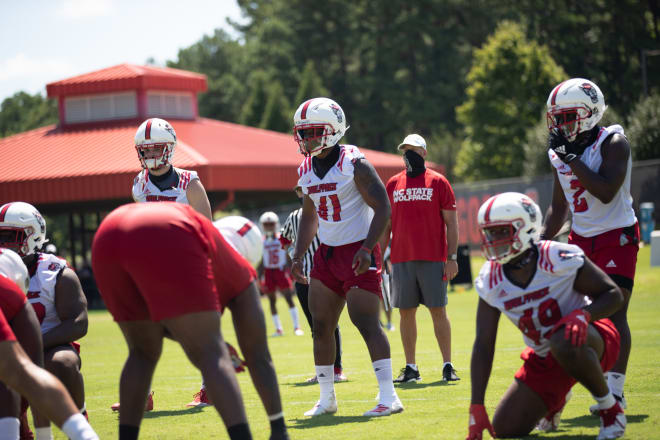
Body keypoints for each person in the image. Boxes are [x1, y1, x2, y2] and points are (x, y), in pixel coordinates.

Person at [92, 203, 289, 440]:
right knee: (211, 355)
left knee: (142, 353)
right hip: (168, 229)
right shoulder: (235, 264)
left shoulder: (206, 236)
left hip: (107, 233)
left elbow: (163, 322)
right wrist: (278, 428)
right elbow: (258, 355)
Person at [467, 192, 625, 440]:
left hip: (593, 339)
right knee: (505, 429)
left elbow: (613, 295)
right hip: (544, 358)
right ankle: (556, 400)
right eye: (490, 233)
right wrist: (476, 405)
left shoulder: (556, 257)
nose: (493, 240)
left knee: (562, 338)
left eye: (500, 231)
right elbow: (484, 344)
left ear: (524, 227)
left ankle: (611, 410)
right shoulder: (491, 279)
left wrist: (584, 315)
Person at [291, 97, 402, 417]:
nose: (306, 139)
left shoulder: (353, 163)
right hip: (326, 254)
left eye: (312, 131)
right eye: (303, 132)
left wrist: (368, 249)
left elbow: (383, 207)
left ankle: (389, 395)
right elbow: (309, 216)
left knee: (366, 322)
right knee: (320, 325)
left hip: (358, 249)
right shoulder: (306, 169)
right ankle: (327, 399)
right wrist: (299, 256)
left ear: (332, 130)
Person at [542, 78, 638, 413]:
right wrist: (539, 240)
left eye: (567, 117)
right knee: (570, 312)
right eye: (557, 118)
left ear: (589, 112)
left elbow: (606, 190)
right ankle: (569, 383)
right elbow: (559, 207)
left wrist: (571, 158)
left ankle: (616, 390)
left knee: (614, 311)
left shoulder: (613, 141)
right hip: (581, 238)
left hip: (617, 235)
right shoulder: (560, 153)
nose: (560, 125)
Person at [129, 117, 218, 409]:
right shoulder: (139, 184)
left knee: (196, 331)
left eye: (157, 149)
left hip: (186, 264)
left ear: (169, 149)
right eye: (146, 150)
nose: (151, 156)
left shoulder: (188, 181)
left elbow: (206, 226)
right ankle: (143, 394)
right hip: (153, 268)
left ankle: (210, 387)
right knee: (141, 330)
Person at [0, 202, 89, 439]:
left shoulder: (54, 270)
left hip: (50, 345)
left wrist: (33, 345)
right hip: (5, 349)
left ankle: (79, 421)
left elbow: (78, 322)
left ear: (34, 235)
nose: (4, 244)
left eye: (12, 236)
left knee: (64, 362)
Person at [380, 134, 460, 383]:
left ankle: (447, 365)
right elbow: (386, 225)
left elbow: (452, 223)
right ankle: (411, 367)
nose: (408, 153)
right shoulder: (393, 183)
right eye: (405, 149)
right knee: (406, 313)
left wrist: (452, 257)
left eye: (413, 149)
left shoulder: (438, 182)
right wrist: (381, 254)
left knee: (438, 310)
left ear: (424, 152)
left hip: (433, 258)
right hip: (402, 259)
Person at [280, 186, 347, 383]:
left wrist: (294, 254)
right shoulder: (326, 212)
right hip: (313, 276)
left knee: (325, 324)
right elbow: (283, 240)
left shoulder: (301, 215)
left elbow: (283, 241)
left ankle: (333, 369)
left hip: (317, 276)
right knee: (319, 325)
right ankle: (329, 370)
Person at [259, 212, 302, 337]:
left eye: (271, 224)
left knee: (289, 298)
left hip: (281, 270)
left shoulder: (280, 238)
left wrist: (291, 269)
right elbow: (261, 260)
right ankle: (278, 329)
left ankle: (296, 327)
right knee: (271, 301)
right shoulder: (261, 241)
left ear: (275, 224)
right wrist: (258, 275)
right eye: (266, 224)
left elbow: (288, 254)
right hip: (268, 271)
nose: (268, 227)